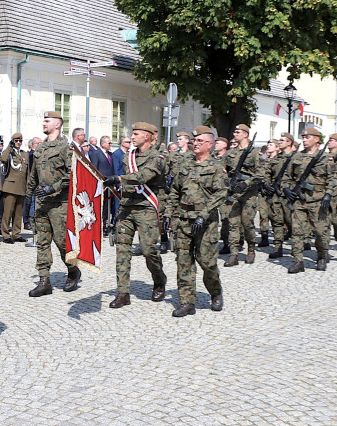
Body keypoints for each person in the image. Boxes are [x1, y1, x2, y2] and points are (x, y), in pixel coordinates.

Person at [104, 122, 168, 308]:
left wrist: (118, 179)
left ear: (147, 136)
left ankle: (159, 280)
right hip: (127, 207)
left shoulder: (158, 157)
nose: (132, 137)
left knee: (149, 251)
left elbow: (142, 177)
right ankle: (123, 293)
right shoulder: (128, 156)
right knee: (122, 251)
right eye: (132, 134)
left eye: (136, 134)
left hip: (147, 208)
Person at [168, 126, 226, 316]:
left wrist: (204, 213)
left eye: (200, 141)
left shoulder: (216, 166)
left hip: (205, 223)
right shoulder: (185, 165)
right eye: (195, 141)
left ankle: (215, 292)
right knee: (183, 262)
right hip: (184, 221)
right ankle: (187, 302)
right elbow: (175, 190)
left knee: (207, 263)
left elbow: (221, 193)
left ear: (210, 144)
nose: (196, 143)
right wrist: (171, 214)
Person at [26, 112, 82, 296]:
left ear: (57, 124)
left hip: (59, 203)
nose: (44, 123)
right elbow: (33, 175)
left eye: (47, 121)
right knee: (42, 241)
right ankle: (44, 281)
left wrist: (54, 187)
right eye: (44, 120)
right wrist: (28, 198)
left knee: (61, 241)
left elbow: (72, 174)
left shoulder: (66, 147)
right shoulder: (40, 148)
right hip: (42, 202)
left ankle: (73, 271)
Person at [284, 126, 337, 273]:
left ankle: (321, 256)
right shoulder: (296, 157)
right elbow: (286, 177)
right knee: (297, 231)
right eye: (303, 137)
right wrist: (286, 189)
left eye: (307, 137)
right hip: (299, 201)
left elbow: (333, 179)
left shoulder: (326, 158)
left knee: (320, 232)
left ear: (316, 139)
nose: (304, 140)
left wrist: (328, 194)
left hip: (318, 200)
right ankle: (298, 261)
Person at [223, 124, 260, 266]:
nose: (234, 133)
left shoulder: (254, 153)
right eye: (234, 131)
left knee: (247, 223)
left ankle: (251, 248)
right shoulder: (230, 153)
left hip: (248, 193)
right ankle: (234, 254)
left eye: (238, 132)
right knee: (233, 223)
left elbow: (260, 173)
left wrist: (246, 183)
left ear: (245, 134)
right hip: (233, 193)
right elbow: (221, 170)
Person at [0, 132, 28, 243]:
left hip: (21, 186)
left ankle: (16, 234)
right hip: (10, 186)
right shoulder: (9, 153)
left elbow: (28, 171)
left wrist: (28, 185)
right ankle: (6, 235)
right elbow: (3, 159)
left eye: (20, 141)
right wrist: (9, 146)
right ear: (13, 141)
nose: (18, 143)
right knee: (8, 212)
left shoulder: (24, 154)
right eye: (16, 141)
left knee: (18, 213)